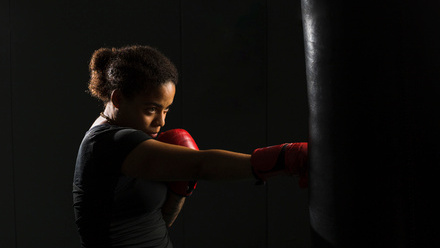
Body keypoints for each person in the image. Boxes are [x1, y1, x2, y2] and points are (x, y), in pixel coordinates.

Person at [73, 45, 308, 248]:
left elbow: (159, 222)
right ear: (117, 99)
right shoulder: (111, 142)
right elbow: (201, 165)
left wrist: (179, 189)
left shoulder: (121, 136)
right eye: (151, 109)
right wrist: (286, 158)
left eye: (166, 110)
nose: (161, 121)